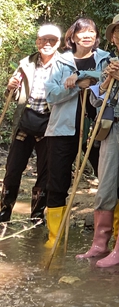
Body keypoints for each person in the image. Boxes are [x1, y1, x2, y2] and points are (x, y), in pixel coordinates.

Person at [76, 12, 119, 267]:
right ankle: (99, 244)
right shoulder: (110, 62)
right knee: (104, 185)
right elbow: (95, 101)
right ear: (113, 37)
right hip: (109, 128)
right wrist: (107, 79)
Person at [44, 18, 110, 248]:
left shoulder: (105, 58)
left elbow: (108, 81)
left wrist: (83, 78)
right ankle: (55, 238)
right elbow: (51, 94)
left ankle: (111, 237)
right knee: (58, 181)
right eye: (82, 32)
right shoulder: (60, 61)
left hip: (98, 128)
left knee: (109, 177)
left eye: (91, 31)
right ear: (72, 37)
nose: (87, 35)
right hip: (63, 129)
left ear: (96, 35)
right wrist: (73, 87)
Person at [0, 25, 62, 223]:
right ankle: (4, 210)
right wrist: (10, 88)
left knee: (45, 171)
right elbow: (13, 94)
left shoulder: (64, 65)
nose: (47, 44)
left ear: (58, 43)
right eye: (43, 40)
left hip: (49, 122)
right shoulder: (26, 63)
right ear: (37, 41)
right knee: (13, 168)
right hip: (25, 120)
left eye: (52, 40)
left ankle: (36, 214)